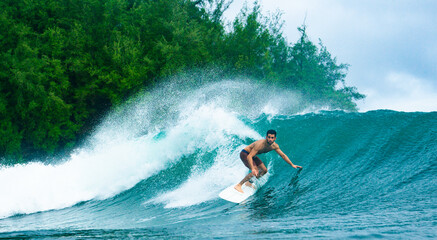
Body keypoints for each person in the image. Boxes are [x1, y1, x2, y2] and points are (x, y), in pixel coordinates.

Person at [234, 129, 302, 193]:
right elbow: (249, 157)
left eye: (272, 138)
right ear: (266, 137)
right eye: (269, 137)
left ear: (275, 138)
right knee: (255, 171)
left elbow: (283, 155)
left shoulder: (274, 146)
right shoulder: (260, 144)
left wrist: (292, 164)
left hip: (253, 155)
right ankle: (239, 185)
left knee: (264, 170)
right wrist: (252, 169)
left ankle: (249, 182)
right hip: (245, 154)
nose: (270, 139)